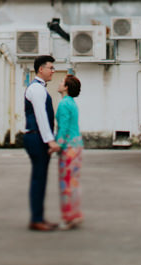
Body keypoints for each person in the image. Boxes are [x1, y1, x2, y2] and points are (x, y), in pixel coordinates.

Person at [23, 54, 60, 231]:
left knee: (41, 177)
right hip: (36, 136)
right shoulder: (36, 89)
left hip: (38, 136)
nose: (53, 71)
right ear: (40, 69)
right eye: (50, 68)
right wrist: (50, 140)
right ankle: (36, 219)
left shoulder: (40, 88)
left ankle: (39, 217)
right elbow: (41, 116)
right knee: (39, 177)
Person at [55, 74, 83, 229]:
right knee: (74, 182)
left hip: (68, 148)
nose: (59, 84)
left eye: (61, 82)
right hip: (77, 145)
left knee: (66, 183)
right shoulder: (72, 103)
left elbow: (63, 128)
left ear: (66, 87)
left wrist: (56, 145)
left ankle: (68, 217)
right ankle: (75, 214)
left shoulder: (63, 104)